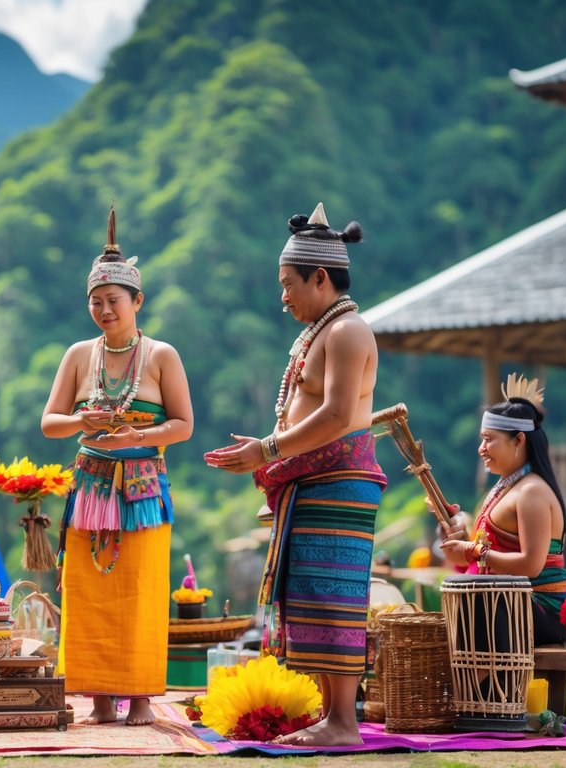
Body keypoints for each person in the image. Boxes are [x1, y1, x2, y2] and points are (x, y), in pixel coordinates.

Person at [205, 203, 387, 747]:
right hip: (313, 482)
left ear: (321, 277)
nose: (283, 296)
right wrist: (271, 455)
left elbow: (334, 416)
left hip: (340, 480)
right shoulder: (319, 333)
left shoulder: (349, 332)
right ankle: (332, 715)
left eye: (289, 284)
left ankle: (344, 723)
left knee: (336, 597)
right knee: (311, 594)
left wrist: (266, 449)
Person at [41, 209, 193, 726]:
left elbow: (184, 425)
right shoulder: (79, 355)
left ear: (137, 302)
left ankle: (142, 698)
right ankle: (98, 696)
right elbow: (50, 423)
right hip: (90, 484)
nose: (104, 310)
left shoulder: (161, 355)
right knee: (88, 591)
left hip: (143, 488)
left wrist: (140, 435)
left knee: (141, 588)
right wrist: (83, 418)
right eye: (96, 302)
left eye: (114, 301)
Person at [438, 374, 566, 645]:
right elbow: (489, 552)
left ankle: (478, 689)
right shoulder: (506, 487)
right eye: (481, 439)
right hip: (513, 601)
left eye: (489, 439)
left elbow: (531, 565)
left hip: (544, 606)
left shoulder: (531, 491)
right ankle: (476, 688)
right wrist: (460, 538)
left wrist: (471, 550)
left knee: (479, 606)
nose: (481, 448)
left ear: (519, 441)